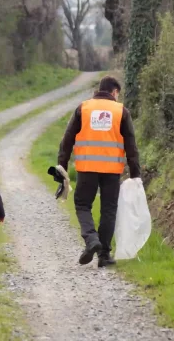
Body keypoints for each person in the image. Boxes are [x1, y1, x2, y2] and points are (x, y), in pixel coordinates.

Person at [57, 76, 141, 268]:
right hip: (112, 170)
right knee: (108, 209)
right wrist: (136, 174)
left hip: (86, 168)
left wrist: (62, 166)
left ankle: (91, 239)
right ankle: (104, 254)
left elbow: (67, 140)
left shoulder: (83, 108)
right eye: (117, 94)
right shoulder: (121, 111)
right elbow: (131, 145)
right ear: (114, 92)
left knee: (82, 204)